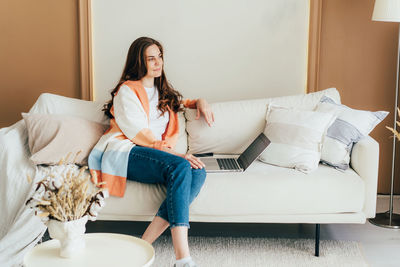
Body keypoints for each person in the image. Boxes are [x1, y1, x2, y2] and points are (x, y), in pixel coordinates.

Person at [88, 36, 214, 267]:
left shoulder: (161, 91)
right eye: (151, 59)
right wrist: (176, 155)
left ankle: (143, 245)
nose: (158, 63)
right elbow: (137, 133)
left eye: (160, 57)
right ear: (139, 62)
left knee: (198, 171)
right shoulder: (127, 91)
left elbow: (183, 103)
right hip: (126, 151)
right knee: (181, 165)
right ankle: (182, 258)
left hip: (152, 154)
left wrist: (201, 101)